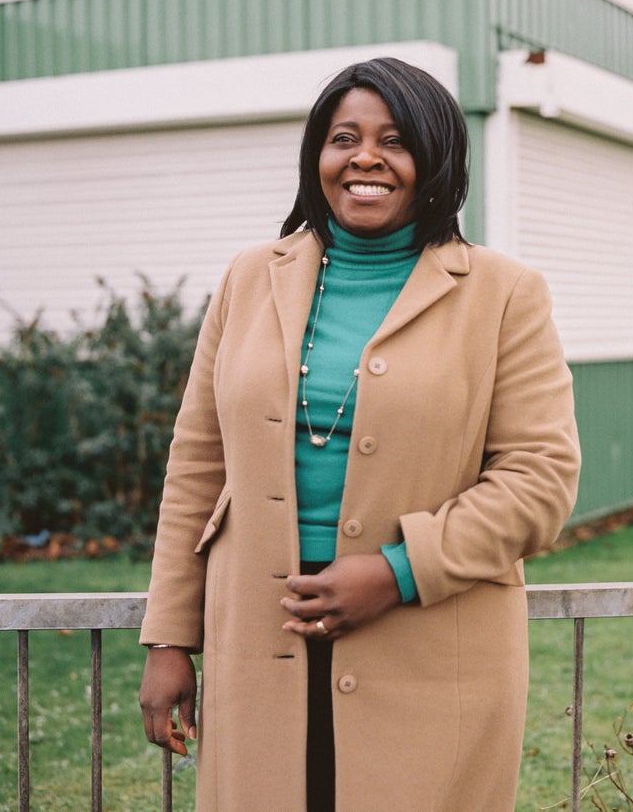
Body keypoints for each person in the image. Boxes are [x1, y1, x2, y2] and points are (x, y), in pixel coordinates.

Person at [138, 56, 580, 812]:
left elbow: (540, 481)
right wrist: (170, 640)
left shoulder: (506, 295)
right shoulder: (249, 279)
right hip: (255, 635)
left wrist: (397, 571)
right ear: (319, 157)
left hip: (429, 644)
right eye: (344, 137)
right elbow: (197, 467)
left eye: (395, 140)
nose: (365, 157)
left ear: (435, 159)